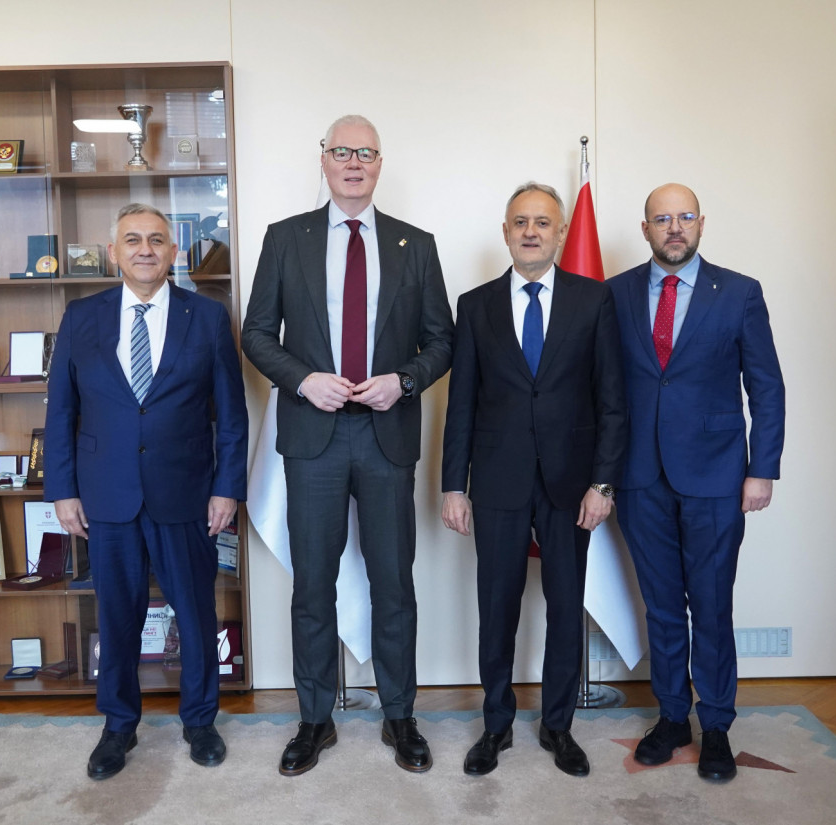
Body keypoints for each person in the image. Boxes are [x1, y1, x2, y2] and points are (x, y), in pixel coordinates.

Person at [241, 115, 454, 776]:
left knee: (394, 582)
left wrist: (404, 381)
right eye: (342, 151)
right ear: (324, 160)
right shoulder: (285, 238)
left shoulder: (416, 245)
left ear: (380, 163)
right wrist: (303, 380)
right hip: (314, 437)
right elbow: (255, 333)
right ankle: (314, 720)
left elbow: (442, 340)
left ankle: (400, 716)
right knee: (313, 584)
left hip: (387, 436)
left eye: (365, 152)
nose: (354, 161)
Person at [44, 203, 248, 780]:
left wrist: (227, 489)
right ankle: (118, 726)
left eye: (156, 240)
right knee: (117, 617)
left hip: (185, 492)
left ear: (173, 252)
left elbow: (232, 415)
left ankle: (200, 721)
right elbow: (61, 411)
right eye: (132, 240)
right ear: (114, 252)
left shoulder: (207, 317)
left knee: (196, 612)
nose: (144, 250)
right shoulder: (81, 316)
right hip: (105, 495)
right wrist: (62, 490)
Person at [441, 182, 627, 777]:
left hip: (572, 483)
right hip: (497, 480)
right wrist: (453, 485)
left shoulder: (593, 301)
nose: (530, 232)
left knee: (566, 607)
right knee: (496, 607)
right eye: (520, 221)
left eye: (543, 222)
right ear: (505, 232)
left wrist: (604, 484)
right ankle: (496, 725)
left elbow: (612, 401)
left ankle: (558, 726)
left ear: (562, 232)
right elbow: (461, 404)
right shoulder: (475, 306)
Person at [607, 183, 785, 781]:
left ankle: (716, 726)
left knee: (710, 605)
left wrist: (762, 469)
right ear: (646, 229)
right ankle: (671, 718)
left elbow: (767, 387)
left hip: (716, 475)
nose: (675, 227)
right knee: (661, 606)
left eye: (684, 217)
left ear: (702, 223)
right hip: (639, 476)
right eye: (662, 219)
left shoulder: (739, 292)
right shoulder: (615, 293)